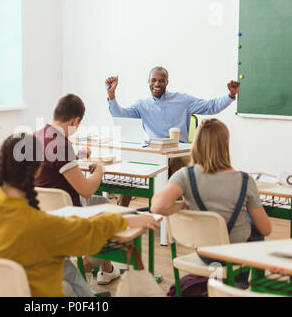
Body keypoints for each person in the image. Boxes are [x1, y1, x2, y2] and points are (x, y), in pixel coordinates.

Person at [0, 133, 159, 297]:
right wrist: (125, 218)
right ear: (38, 170)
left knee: (66, 268)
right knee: (67, 270)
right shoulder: (43, 226)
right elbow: (89, 232)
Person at [151, 119, 271, 287]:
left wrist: (182, 205)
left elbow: (157, 206)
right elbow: (266, 229)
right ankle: (238, 285)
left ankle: (218, 282)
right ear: (226, 144)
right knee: (254, 225)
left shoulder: (186, 175)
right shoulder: (245, 180)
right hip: (235, 255)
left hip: (205, 253)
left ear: (196, 144)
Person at [105, 67, 241, 205]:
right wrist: (111, 96)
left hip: (178, 152)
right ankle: (121, 213)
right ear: (148, 82)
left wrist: (230, 96)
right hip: (155, 152)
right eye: (154, 80)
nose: (157, 84)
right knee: (131, 169)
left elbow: (211, 106)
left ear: (167, 82)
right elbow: (121, 116)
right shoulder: (142, 105)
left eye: (161, 81)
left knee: (178, 165)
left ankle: (175, 212)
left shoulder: (182, 100)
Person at [35, 94, 122, 286]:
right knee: (105, 209)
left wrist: (77, 155)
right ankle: (83, 268)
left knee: (102, 204)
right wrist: (99, 170)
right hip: (66, 213)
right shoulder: (62, 144)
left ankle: (106, 270)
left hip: (41, 210)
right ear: (76, 121)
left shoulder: (38, 135)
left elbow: (52, 163)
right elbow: (86, 190)